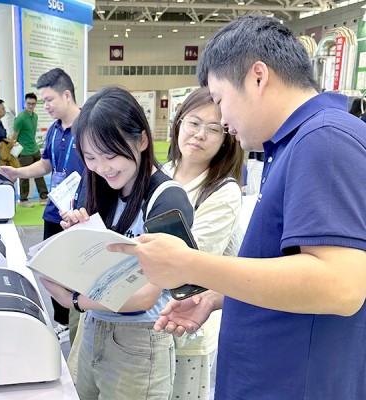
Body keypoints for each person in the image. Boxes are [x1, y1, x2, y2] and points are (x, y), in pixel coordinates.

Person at [109, 15, 366, 400]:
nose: (224, 121)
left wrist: (189, 264)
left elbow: (340, 286)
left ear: (258, 77)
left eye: (220, 100)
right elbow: (290, 267)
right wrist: (219, 295)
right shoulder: (297, 142)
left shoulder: (324, 139)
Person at [41, 86, 193, 400]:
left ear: (142, 140)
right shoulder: (101, 186)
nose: (103, 167)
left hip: (139, 342)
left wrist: (74, 301)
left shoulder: (167, 199)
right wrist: (78, 237)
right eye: (91, 157)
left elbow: (145, 296)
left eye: (111, 155)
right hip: (94, 329)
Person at [162, 86, 244, 400]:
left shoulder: (224, 191)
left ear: (226, 139)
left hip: (188, 327)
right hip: (144, 321)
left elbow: (190, 259)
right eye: (194, 123)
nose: (199, 134)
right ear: (179, 123)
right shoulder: (161, 173)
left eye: (213, 129)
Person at [0, 68, 86, 330]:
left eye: (49, 100)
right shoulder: (54, 130)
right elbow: (46, 164)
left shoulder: (89, 127)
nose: (45, 106)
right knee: (53, 269)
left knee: (78, 270)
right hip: (54, 211)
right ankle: (62, 322)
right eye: (43, 101)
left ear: (67, 95)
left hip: (81, 214)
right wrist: (18, 172)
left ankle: (79, 322)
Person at [13, 93, 49, 208]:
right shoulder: (20, 118)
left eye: (33, 104)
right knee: (24, 176)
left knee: (40, 173)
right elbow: (14, 137)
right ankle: (23, 199)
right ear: (25, 103)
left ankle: (43, 197)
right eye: (29, 103)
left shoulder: (35, 116)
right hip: (24, 152)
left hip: (35, 149)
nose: (31, 106)